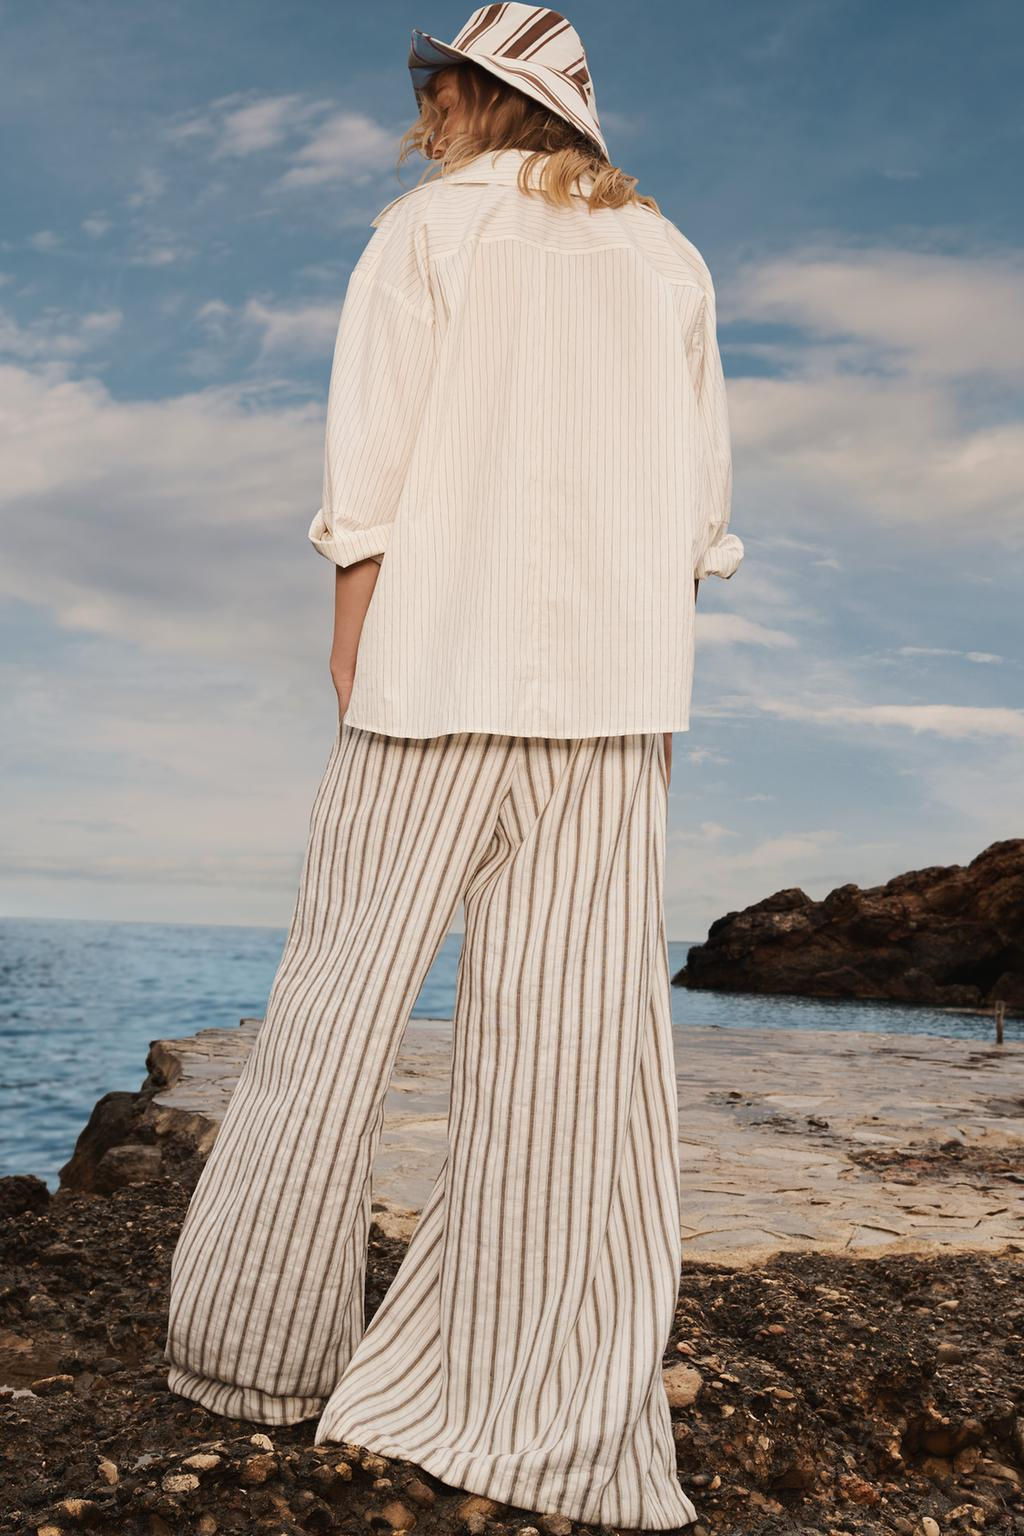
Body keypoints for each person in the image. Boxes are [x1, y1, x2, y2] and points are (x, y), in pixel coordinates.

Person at [163, 5, 744, 1529]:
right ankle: (521, 1398)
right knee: (571, 1057)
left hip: (432, 668)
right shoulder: (671, 259)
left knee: (333, 1005)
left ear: (482, 98)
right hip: (618, 693)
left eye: (440, 85)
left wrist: (351, 640)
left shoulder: (424, 235)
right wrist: (632, 647)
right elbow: (698, 513)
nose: (425, 106)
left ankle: (253, 1353)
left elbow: (372, 466)